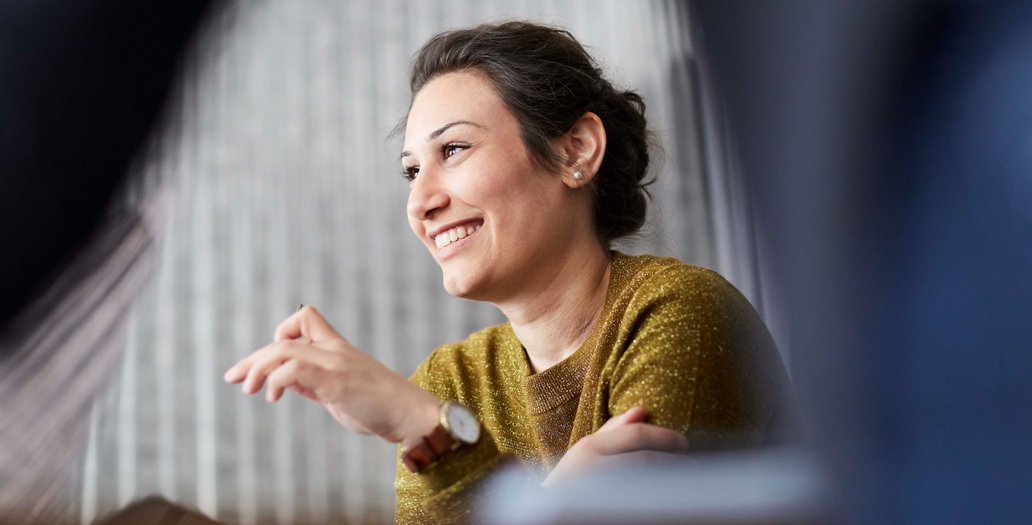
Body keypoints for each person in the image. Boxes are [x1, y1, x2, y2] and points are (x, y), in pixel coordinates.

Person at [223, 21, 797, 524]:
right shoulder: (452, 382)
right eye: (410, 171)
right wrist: (557, 500)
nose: (420, 201)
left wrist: (430, 431)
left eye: (453, 150)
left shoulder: (678, 311)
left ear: (576, 151)